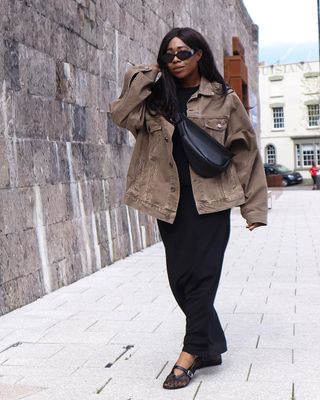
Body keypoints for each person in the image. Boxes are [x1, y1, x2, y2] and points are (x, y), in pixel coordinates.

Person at [110, 27, 268, 390]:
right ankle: (211, 346)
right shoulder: (153, 98)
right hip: (169, 202)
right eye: (169, 54)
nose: (175, 60)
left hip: (211, 202)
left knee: (202, 277)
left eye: (183, 53)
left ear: (200, 54)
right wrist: (146, 75)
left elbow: (246, 153)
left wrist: (254, 209)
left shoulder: (223, 99)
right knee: (180, 279)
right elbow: (121, 115)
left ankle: (191, 352)